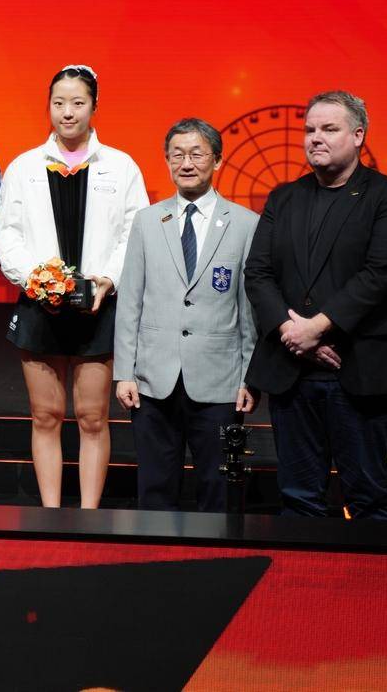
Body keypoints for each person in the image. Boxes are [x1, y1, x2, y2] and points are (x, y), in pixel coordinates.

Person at [244, 91, 387, 520]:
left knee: (369, 499)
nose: (314, 138)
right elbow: (258, 273)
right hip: (292, 371)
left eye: (328, 129)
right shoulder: (283, 198)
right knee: (298, 498)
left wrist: (316, 328)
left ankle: (374, 568)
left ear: (358, 135)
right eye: (309, 130)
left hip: (359, 370)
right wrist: (293, 334)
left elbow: (378, 275)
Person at [0, 65, 148, 508]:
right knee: (45, 416)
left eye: (78, 103)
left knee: (93, 417)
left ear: (94, 106)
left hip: (97, 307)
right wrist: (35, 279)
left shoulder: (120, 166)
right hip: (40, 306)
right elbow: (6, 234)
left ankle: (89, 516)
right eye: (59, 103)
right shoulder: (24, 166)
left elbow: (134, 233)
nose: (67, 112)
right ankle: (51, 514)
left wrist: (109, 278)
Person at [113, 118, 259, 512]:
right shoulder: (147, 221)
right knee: (155, 487)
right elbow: (130, 301)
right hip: (153, 379)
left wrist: (249, 377)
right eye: (177, 155)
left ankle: (219, 551)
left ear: (217, 160)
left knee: (219, 489)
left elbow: (249, 311)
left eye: (197, 154)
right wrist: (124, 371)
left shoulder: (246, 224)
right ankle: (158, 551)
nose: (186, 163)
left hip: (220, 380)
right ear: (166, 161)